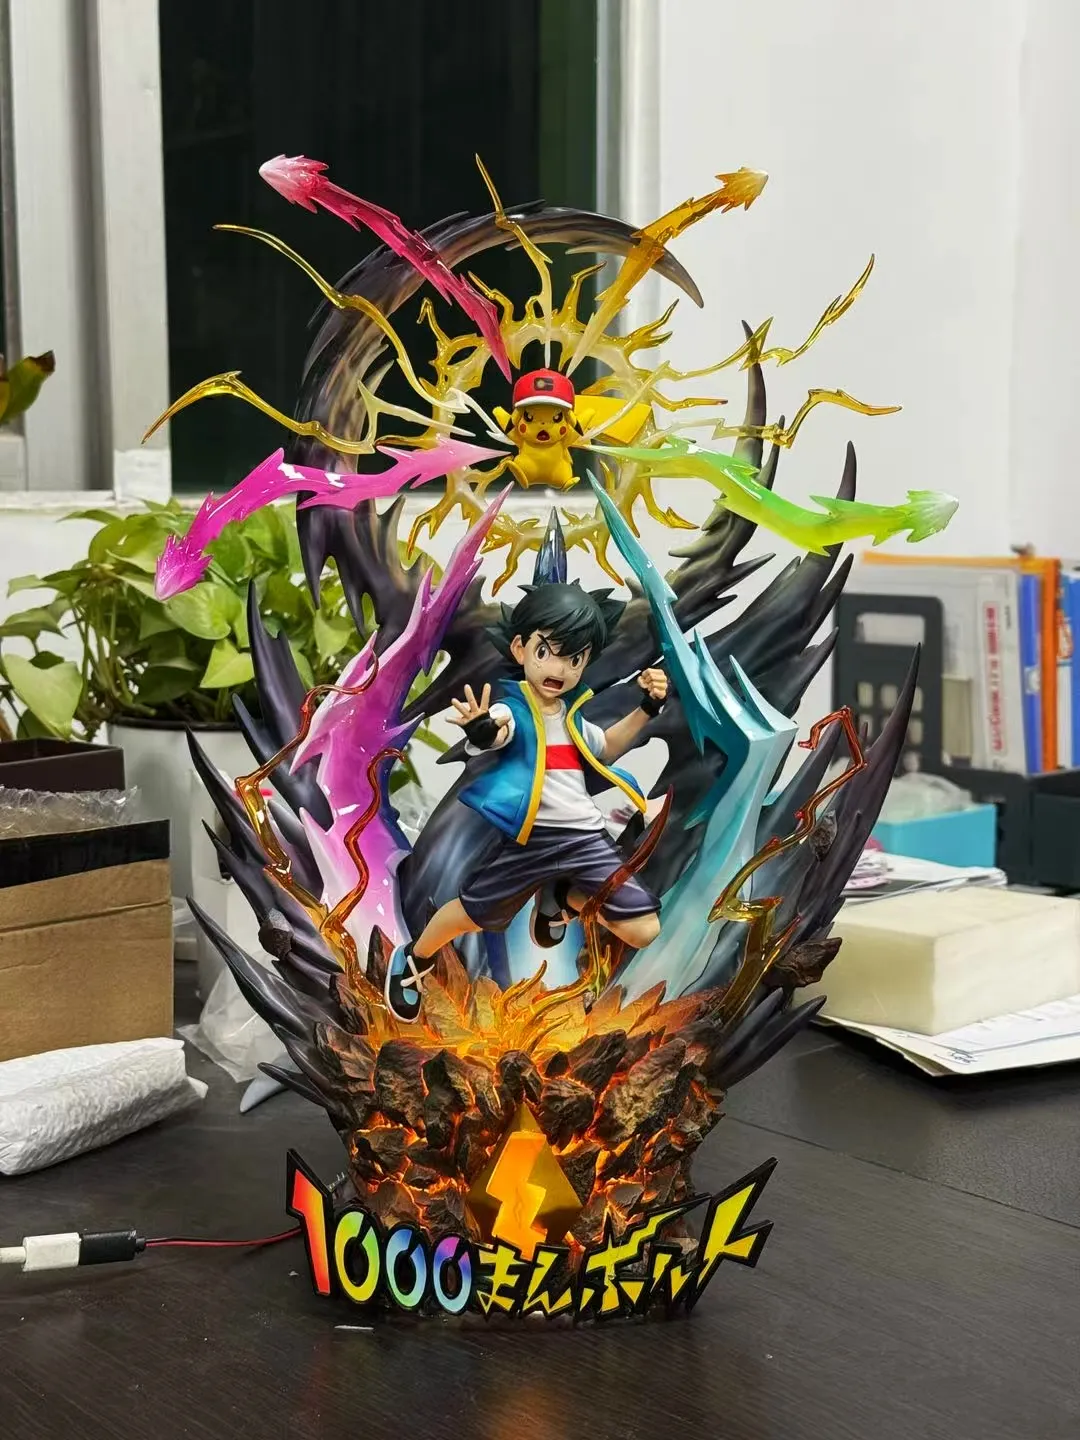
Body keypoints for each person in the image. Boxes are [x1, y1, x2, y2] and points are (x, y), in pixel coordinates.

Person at [384, 580, 668, 1021]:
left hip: (585, 839)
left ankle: (562, 897)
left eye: (574, 658)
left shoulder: (573, 717)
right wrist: (481, 729)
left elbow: (607, 748)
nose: (559, 668)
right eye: (546, 651)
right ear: (520, 648)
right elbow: (497, 732)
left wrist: (647, 707)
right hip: (530, 840)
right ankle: (415, 958)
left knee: (643, 928)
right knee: (470, 915)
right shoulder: (513, 711)